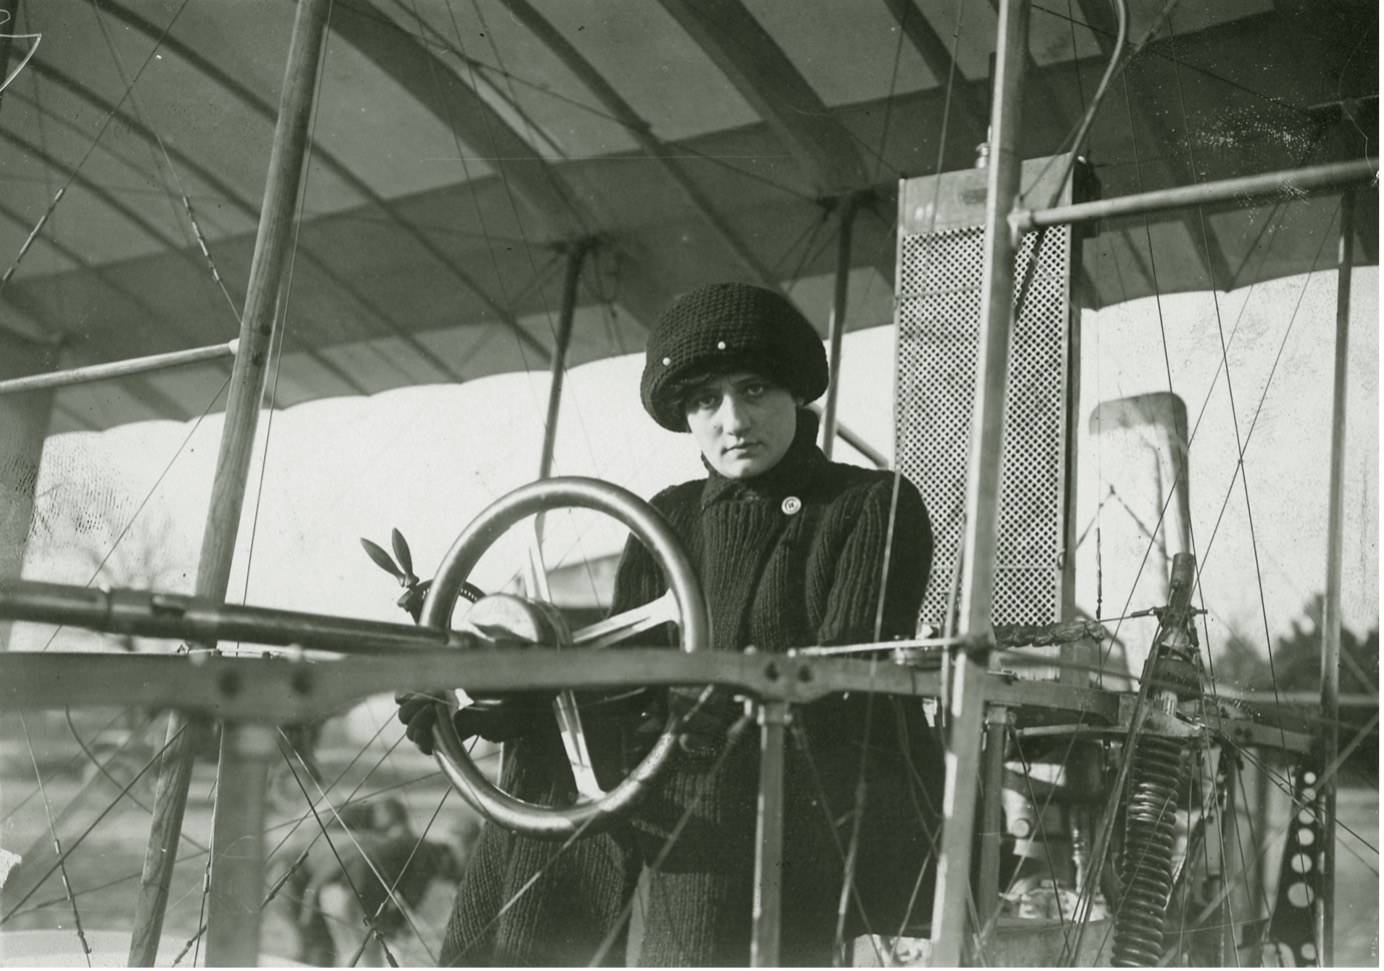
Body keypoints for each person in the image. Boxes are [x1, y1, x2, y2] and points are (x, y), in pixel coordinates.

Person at [399, 281, 941, 966]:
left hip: (814, 783)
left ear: (795, 395)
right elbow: (631, 683)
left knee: (705, 786)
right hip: (690, 766)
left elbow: (845, 680)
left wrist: (716, 707)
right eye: (705, 400)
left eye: (754, 389)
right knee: (548, 766)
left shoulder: (873, 503)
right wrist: (504, 700)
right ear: (685, 414)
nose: (732, 419)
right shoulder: (670, 515)